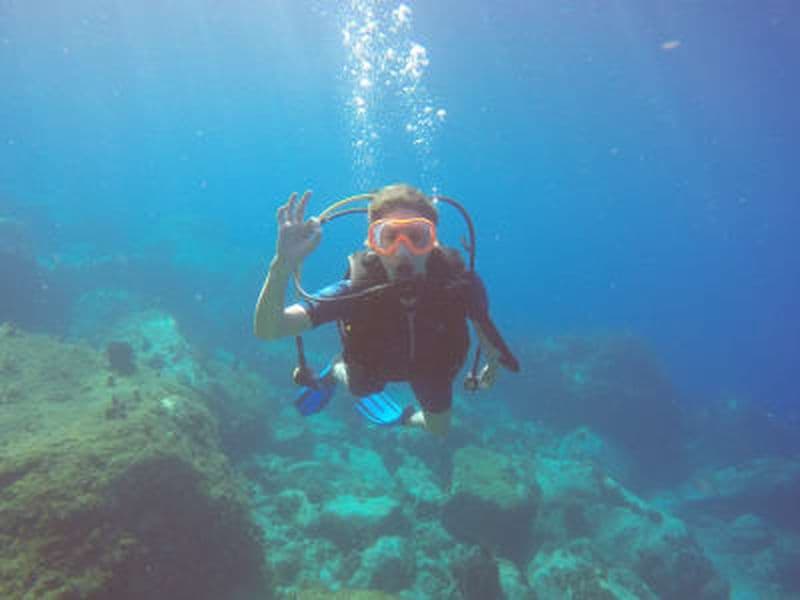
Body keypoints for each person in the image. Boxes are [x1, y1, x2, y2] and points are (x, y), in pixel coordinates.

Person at [254, 184, 518, 435]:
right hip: (373, 365)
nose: (402, 251)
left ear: (433, 242)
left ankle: (403, 419)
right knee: (362, 390)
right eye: (388, 237)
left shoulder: (459, 284)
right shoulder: (354, 290)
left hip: (431, 365)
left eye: (417, 237)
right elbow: (270, 329)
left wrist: (493, 362)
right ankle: (337, 370)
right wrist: (282, 264)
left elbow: (482, 322)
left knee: (439, 428)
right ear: (371, 244)